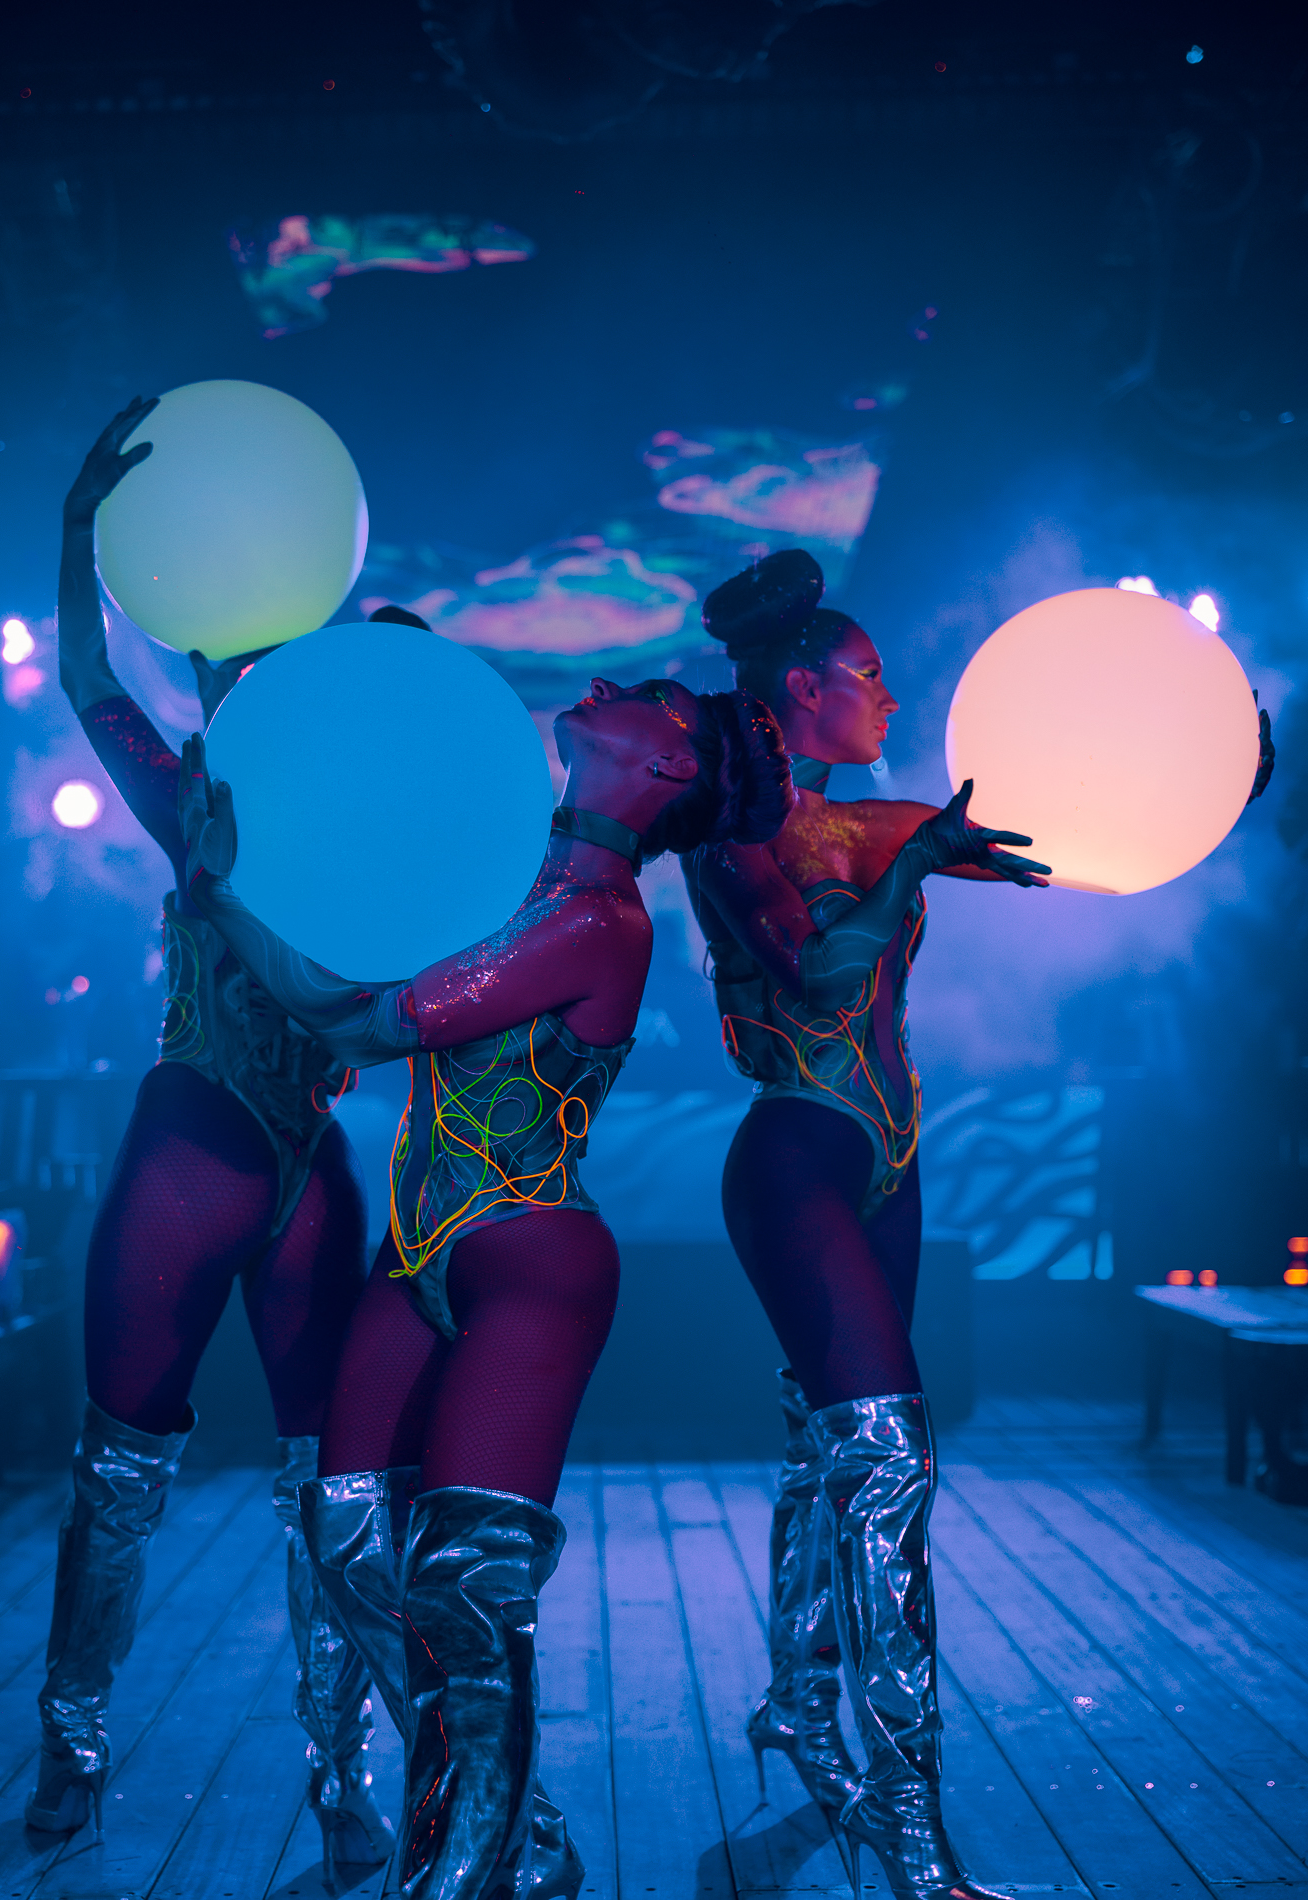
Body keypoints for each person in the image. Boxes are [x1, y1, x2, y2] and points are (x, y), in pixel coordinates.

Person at [179, 670, 792, 1899]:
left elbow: (372, 1020)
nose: (605, 680)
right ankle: (526, 1830)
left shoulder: (600, 920)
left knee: (466, 1586)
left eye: (648, 692)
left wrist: (222, 885)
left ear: (668, 766)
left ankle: (460, 1879)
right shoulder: (501, 872)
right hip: (417, 1259)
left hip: (530, 1261)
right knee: (348, 1537)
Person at [29, 400, 393, 1870]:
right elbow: (84, 676)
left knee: (338, 1484)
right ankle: (70, 1743)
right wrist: (79, 532)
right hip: (193, 1145)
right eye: (217, 672)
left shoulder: (361, 824)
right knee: (120, 1464)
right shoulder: (186, 796)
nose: (230, 687)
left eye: (257, 671)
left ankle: (345, 1774)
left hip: (306, 1156)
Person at [683, 549, 1052, 1900]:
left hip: (888, 1157)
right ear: (803, 690)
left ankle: (796, 1700)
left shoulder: (875, 823)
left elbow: (1034, 836)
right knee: (891, 1467)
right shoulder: (733, 844)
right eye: (871, 678)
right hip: (798, 1156)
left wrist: (1202, 781)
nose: (891, 699)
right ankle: (912, 1835)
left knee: (823, 1448)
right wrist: (917, 871)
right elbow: (823, 976)